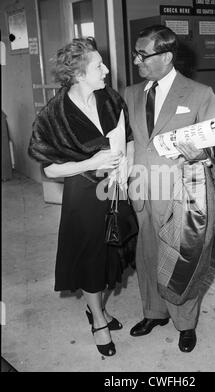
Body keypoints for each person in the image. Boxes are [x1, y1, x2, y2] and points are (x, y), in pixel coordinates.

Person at [28, 37, 134, 357]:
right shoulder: (54, 114)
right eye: (98, 65)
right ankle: (98, 319)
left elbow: (125, 141)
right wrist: (92, 162)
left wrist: (124, 175)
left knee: (112, 253)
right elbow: (50, 171)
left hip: (115, 188)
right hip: (84, 193)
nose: (106, 69)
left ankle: (95, 307)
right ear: (77, 74)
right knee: (91, 258)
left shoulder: (110, 99)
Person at [124, 25, 215, 353]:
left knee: (183, 260)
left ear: (165, 57)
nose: (136, 60)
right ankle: (155, 312)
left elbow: (213, 145)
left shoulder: (199, 93)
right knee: (148, 253)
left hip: (183, 193)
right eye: (135, 53)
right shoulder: (131, 93)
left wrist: (202, 153)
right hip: (142, 189)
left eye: (143, 54)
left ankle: (185, 323)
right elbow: (130, 141)